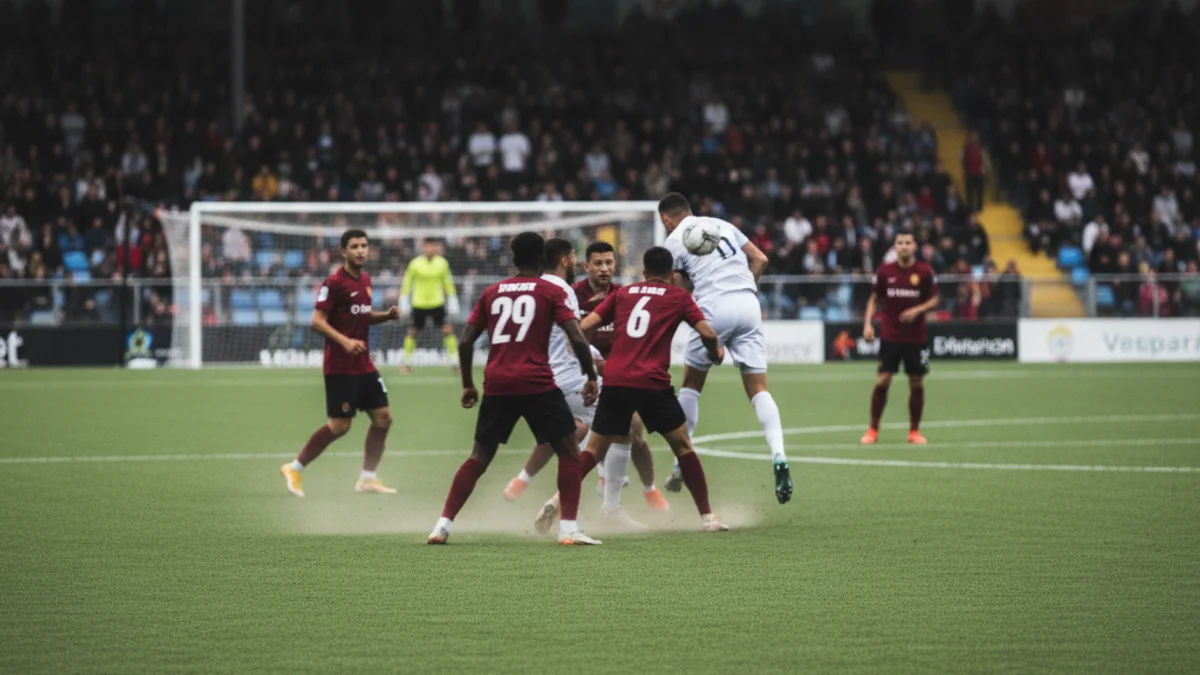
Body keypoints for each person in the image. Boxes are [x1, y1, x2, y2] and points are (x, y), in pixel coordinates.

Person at [533, 246, 729, 534]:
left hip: (616, 381)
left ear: (644, 271)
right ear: (671, 273)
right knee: (683, 447)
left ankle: (558, 500)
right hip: (653, 384)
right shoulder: (679, 296)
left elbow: (584, 326)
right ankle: (708, 517)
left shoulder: (623, 293)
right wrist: (716, 353)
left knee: (592, 451)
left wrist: (587, 365)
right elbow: (708, 334)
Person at [427, 232, 601, 546]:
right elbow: (576, 336)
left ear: (514, 259)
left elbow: (465, 341)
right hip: (537, 382)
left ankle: (442, 526)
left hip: (498, 383)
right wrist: (590, 375)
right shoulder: (550, 291)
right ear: (543, 260)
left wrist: (467, 385)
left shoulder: (492, 292)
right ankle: (568, 530)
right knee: (569, 452)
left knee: (479, 457)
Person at [499, 240, 670, 519]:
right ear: (584, 265)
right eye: (597, 263)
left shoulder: (623, 294)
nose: (604, 268)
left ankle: (641, 489)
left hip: (602, 371)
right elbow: (572, 337)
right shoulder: (570, 293)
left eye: (609, 262)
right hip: (580, 371)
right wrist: (594, 365)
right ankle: (602, 505)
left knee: (595, 432)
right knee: (621, 424)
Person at [657, 193, 793, 505]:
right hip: (748, 302)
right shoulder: (722, 224)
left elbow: (674, 287)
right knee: (758, 389)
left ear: (666, 219)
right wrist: (743, 288)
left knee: (691, 387)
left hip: (712, 306)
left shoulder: (673, 241)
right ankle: (779, 454)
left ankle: (679, 463)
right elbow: (761, 259)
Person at [280, 229, 402, 497]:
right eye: (354, 246)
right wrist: (345, 342)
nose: (360, 251)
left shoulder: (365, 280)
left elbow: (361, 316)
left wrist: (386, 315)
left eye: (364, 246)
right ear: (344, 252)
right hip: (340, 366)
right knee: (339, 426)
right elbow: (316, 321)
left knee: (383, 417)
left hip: (364, 364)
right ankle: (294, 468)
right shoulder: (334, 283)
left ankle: (367, 478)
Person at [860, 231, 940, 445]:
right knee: (883, 380)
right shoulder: (885, 272)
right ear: (895, 246)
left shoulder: (924, 271)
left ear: (914, 246)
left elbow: (935, 299)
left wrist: (918, 310)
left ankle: (914, 431)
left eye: (908, 243)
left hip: (916, 338)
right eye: (900, 243)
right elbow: (874, 299)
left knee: (916, 382)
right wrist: (868, 324)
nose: (904, 246)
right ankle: (873, 429)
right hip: (890, 336)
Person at [399, 238, 460, 374]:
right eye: (427, 246)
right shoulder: (415, 264)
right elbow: (407, 282)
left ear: (436, 247)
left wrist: (452, 297)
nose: (430, 249)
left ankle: (455, 362)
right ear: (423, 247)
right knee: (412, 332)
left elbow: (447, 282)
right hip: (419, 304)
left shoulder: (442, 263)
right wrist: (403, 299)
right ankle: (407, 364)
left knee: (448, 330)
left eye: (432, 246)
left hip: (437, 303)